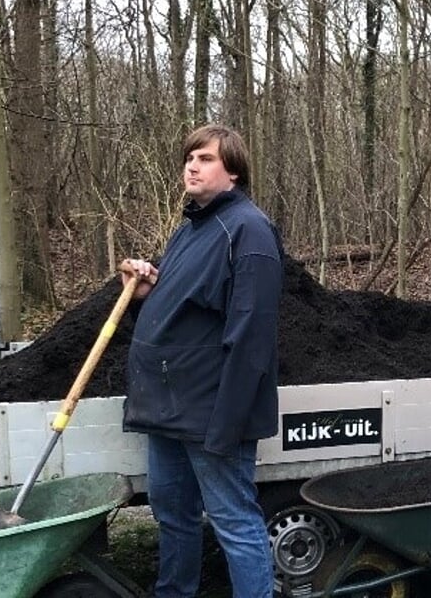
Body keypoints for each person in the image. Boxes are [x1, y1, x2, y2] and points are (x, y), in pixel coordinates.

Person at [119, 124, 281, 598]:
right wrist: (147, 291)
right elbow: (185, 306)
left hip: (209, 411)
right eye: (190, 156)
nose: (192, 165)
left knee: (234, 521)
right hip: (168, 407)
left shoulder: (249, 231)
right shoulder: (192, 228)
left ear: (232, 171)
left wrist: (226, 425)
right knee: (174, 516)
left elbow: (252, 336)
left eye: (206, 158)